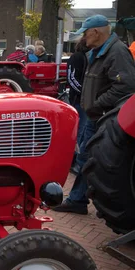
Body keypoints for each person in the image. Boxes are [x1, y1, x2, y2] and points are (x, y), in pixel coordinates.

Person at [53, 15, 135, 215]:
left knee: (90, 159)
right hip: (94, 116)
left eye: (86, 33)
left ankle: (81, 199)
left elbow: (126, 85)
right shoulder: (99, 52)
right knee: (86, 159)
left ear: (96, 32)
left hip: (102, 118)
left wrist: (97, 104)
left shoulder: (116, 53)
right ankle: (81, 199)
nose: (83, 38)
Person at [66, 36, 89, 174]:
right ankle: (74, 160)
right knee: (79, 131)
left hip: (85, 100)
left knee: (83, 131)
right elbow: (72, 78)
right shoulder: (77, 58)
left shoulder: (89, 57)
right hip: (79, 100)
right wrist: (83, 93)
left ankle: (77, 159)